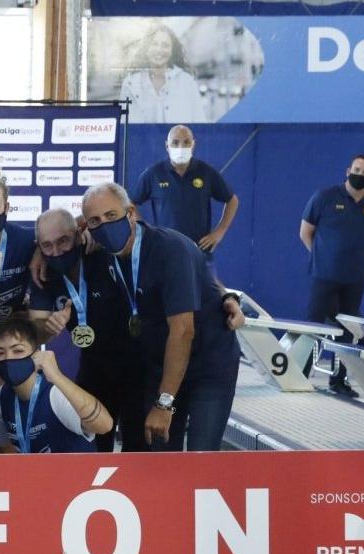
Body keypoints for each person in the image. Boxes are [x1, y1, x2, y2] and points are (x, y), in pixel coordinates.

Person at [83, 181, 242, 451]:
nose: (104, 226)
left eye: (111, 216)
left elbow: (183, 331)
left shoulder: (169, 249)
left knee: (202, 455)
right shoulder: (102, 252)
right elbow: (59, 232)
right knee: (158, 454)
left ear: (131, 213)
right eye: (95, 221)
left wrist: (165, 403)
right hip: (161, 364)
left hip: (209, 365)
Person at [28, 208, 149, 452]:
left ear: (78, 234)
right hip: (94, 367)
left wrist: (88, 225)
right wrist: (49, 328)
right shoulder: (44, 273)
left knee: (139, 448)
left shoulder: (102, 250)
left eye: (63, 241)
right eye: (47, 245)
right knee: (92, 447)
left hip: (136, 365)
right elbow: (37, 331)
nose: (56, 252)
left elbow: (131, 216)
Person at [300, 154, 364, 396]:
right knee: (313, 326)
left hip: (354, 279)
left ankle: (339, 380)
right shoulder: (324, 197)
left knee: (348, 331)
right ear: (348, 170)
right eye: (357, 169)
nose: (361, 175)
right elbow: (305, 232)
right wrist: (322, 257)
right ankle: (300, 375)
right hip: (323, 275)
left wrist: (353, 260)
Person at [0, 318, 113, 453]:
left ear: (36, 354)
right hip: (37, 473)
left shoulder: (56, 394)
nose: (8, 358)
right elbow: (0, 445)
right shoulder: (0, 399)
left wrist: (56, 376)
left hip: (78, 472)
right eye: (0, 353)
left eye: (18, 351)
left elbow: (105, 425)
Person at [130, 125, 239, 261]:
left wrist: (219, 233)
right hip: (165, 253)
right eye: (175, 143)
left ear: (193, 145)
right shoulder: (154, 174)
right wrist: (144, 231)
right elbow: (130, 203)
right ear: (167, 146)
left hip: (199, 253)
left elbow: (232, 200)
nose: (181, 147)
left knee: (205, 283)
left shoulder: (206, 172)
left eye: (186, 142)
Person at [119, 22, 206, 124]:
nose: (159, 50)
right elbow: (124, 126)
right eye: (154, 44)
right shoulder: (130, 84)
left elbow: (200, 123)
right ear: (146, 48)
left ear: (172, 50)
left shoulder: (187, 82)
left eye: (165, 45)